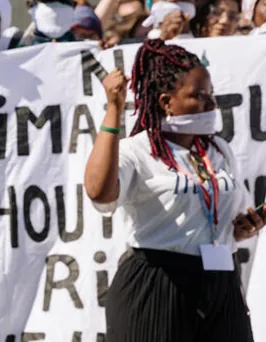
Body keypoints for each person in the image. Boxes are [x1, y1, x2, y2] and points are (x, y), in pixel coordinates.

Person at [85, 39, 263, 342]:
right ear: (167, 102)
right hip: (157, 282)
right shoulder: (136, 151)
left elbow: (221, 222)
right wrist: (113, 109)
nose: (212, 105)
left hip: (220, 282)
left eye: (211, 94)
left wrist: (242, 228)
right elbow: (99, 192)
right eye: (199, 96)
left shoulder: (217, 149)